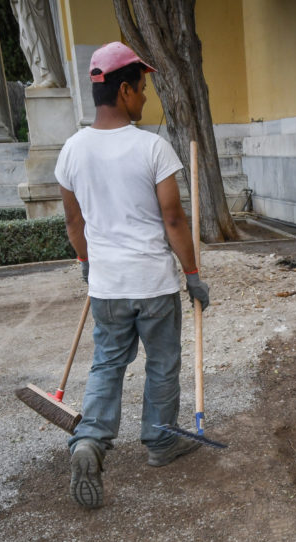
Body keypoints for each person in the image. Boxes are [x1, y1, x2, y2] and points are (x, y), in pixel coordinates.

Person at [55, 41, 211, 509]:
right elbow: (174, 220)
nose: (145, 98)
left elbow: (73, 223)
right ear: (124, 91)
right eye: (142, 89)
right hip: (154, 284)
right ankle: (160, 443)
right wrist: (193, 273)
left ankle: (90, 442)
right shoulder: (152, 147)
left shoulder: (72, 150)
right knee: (162, 364)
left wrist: (86, 263)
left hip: (108, 286)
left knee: (108, 364)